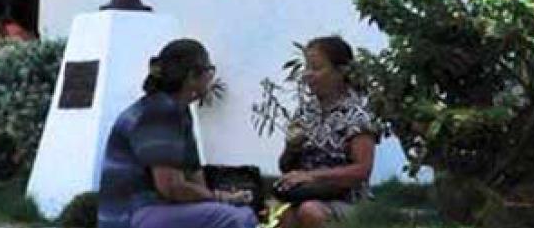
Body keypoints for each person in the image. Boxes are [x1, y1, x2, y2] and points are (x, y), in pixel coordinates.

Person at [99, 39, 255, 228]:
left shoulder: (180, 113)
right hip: (130, 216)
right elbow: (171, 187)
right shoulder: (159, 112)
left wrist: (222, 199)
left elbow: (195, 178)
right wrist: (220, 198)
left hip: (156, 211)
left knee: (240, 212)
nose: (211, 77)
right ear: (192, 76)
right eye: (209, 70)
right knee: (236, 218)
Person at [274, 36, 378, 226]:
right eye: (307, 68)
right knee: (282, 217)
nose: (307, 74)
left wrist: (313, 176)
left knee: (309, 211)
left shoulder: (357, 114)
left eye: (316, 68)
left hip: (349, 201)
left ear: (340, 72)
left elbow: (362, 170)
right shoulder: (306, 112)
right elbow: (286, 167)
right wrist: (292, 148)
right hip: (310, 195)